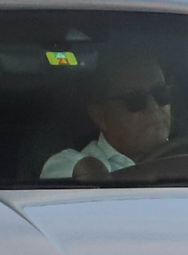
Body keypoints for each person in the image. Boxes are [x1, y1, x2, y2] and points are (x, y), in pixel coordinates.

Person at [41, 54, 172, 180]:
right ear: (99, 116)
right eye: (135, 99)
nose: (154, 106)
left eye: (161, 93)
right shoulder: (68, 166)